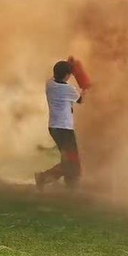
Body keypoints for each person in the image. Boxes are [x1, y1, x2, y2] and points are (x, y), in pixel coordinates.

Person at [35, 60, 87, 190]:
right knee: (72, 162)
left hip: (54, 127)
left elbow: (58, 77)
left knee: (69, 160)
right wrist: (85, 87)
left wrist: (67, 68)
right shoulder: (68, 89)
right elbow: (81, 100)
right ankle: (43, 177)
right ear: (66, 75)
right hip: (65, 129)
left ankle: (68, 184)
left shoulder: (49, 84)